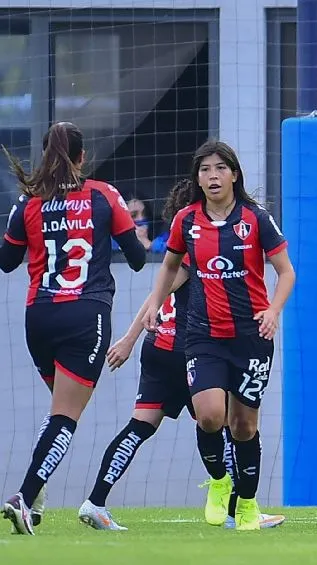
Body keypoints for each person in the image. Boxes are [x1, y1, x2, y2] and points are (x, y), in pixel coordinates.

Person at [75, 179, 284, 531]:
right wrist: (127, 337)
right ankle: (238, 507)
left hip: (157, 350)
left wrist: (130, 340)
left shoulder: (186, 246)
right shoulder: (198, 251)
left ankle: (95, 500)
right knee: (232, 426)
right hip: (191, 350)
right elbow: (159, 295)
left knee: (140, 426)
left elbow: (155, 297)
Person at [140, 140, 296, 531]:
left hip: (251, 337)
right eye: (205, 169)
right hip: (204, 335)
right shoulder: (186, 221)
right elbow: (169, 267)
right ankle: (218, 482)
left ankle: (246, 504)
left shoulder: (256, 219)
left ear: (234, 174)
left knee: (244, 426)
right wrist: (155, 305)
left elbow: (287, 272)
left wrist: (273, 311)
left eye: (220, 168)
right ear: (198, 177)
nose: (212, 175)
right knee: (210, 416)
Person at [0, 121, 146, 535]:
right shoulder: (103, 195)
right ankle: (24, 499)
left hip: (39, 317)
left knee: (56, 412)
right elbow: (136, 256)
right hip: (86, 314)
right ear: (82, 157)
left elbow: (6, 261)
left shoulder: (28, 202)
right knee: (66, 416)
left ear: (45, 155)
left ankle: (36, 492)